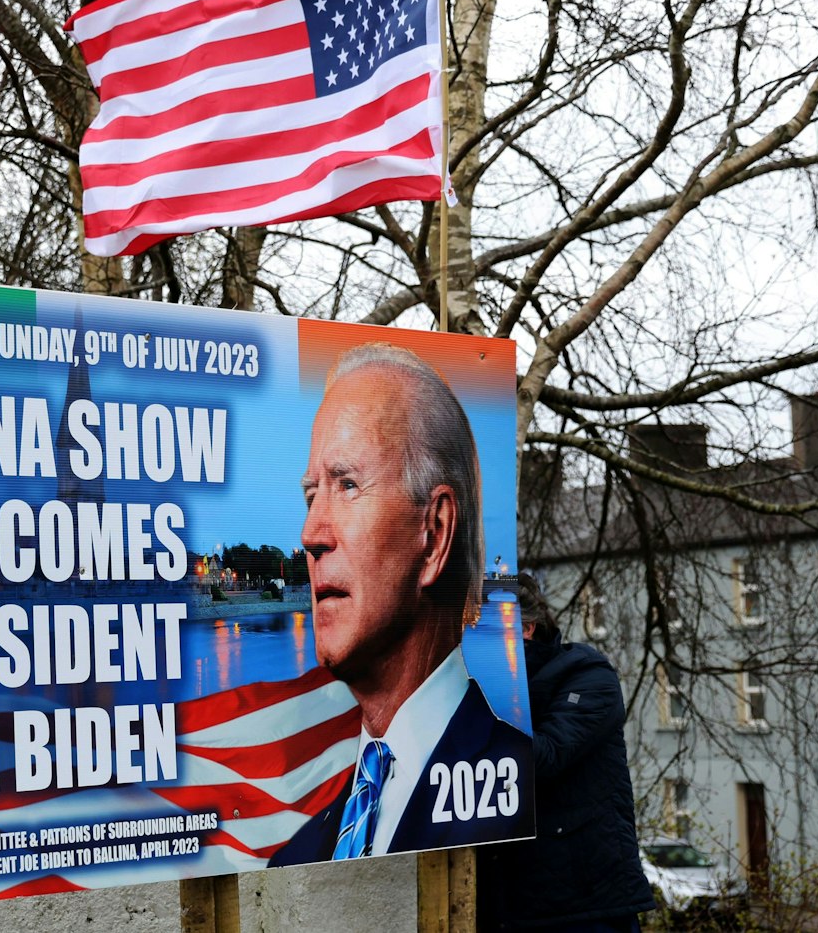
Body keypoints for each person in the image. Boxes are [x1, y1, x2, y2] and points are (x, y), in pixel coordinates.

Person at [270, 343, 531, 865]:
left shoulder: (532, 799)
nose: (310, 534)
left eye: (347, 485)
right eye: (309, 496)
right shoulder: (295, 858)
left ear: (434, 533)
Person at [477, 573, 653, 933]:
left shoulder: (587, 676)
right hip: (513, 908)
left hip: (586, 909)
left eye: (483, 633)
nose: (473, 646)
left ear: (525, 629)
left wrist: (475, 703)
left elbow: (542, 757)